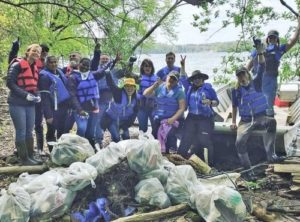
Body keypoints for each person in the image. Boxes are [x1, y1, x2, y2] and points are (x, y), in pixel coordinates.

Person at [231, 52, 284, 179]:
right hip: (245, 121)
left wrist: (260, 52)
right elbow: (234, 106)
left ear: (247, 74)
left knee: (272, 122)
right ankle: (248, 171)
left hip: (260, 117)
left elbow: (261, 66)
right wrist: (233, 121)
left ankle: (271, 155)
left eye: (243, 74)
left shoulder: (256, 82)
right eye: (239, 75)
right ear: (237, 78)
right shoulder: (235, 90)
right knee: (239, 142)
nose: (241, 77)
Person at [247, 17, 300, 116]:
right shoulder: (259, 49)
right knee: (256, 102)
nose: (272, 39)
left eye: (274, 37)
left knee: (269, 104)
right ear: (267, 39)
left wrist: (299, 25)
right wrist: (242, 75)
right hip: (257, 79)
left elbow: (292, 41)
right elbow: (249, 64)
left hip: (271, 81)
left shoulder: (279, 50)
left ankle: (270, 120)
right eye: (270, 37)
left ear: (277, 39)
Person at [8, 40, 49, 155]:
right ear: (27, 52)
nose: (36, 53)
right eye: (34, 51)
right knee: (21, 131)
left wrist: (38, 95)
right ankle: (24, 158)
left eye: (39, 52)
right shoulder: (17, 64)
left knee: (29, 131)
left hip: (30, 104)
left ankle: (30, 155)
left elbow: (34, 86)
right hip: (17, 103)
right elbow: (10, 83)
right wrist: (26, 95)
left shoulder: (35, 68)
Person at [178, 57, 219, 165]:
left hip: (205, 118)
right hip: (192, 117)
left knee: (206, 142)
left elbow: (217, 102)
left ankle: (210, 165)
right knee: (185, 139)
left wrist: (210, 102)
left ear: (202, 79)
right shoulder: (189, 88)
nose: (197, 80)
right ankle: (178, 161)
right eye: (195, 78)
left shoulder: (208, 89)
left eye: (199, 78)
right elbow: (182, 78)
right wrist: (182, 66)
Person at [67, 58, 112, 148]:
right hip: (80, 109)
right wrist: (79, 110)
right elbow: (73, 95)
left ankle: (89, 150)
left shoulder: (92, 75)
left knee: (91, 132)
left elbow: (103, 71)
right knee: (82, 129)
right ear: (79, 64)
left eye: (87, 66)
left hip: (93, 109)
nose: (85, 67)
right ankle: (79, 149)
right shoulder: (73, 77)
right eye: (83, 64)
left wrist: (113, 61)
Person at [143, 70, 186, 153]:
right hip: (158, 118)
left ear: (177, 81)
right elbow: (146, 94)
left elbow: (182, 108)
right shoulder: (159, 88)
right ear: (167, 77)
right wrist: (154, 86)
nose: (172, 80)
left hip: (173, 120)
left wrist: (172, 119)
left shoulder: (180, 92)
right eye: (171, 77)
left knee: (170, 135)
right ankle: (159, 153)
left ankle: (171, 153)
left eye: (175, 79)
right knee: (155, 136)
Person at [39, 56, 71, 152]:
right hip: (52, 108)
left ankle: (60, 151)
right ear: (46, 64)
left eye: (55, 62)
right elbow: (44, 97)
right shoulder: (44, 76)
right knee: (51, 131)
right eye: (51, 62)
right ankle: (52, 151)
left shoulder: (59, 73)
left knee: (62, 130)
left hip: (63, 107)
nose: (54, 64)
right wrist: (48, 115)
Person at [90, 43, 119, 149]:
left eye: (107, 59)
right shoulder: (96, 71)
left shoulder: (113, 71)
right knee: (98, 125)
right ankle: (98, 144)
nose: (105, 60)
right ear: (99, 60)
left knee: (114, 126)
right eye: (103, 59)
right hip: (99, 102)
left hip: (111, 103)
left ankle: (116, 144)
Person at [101, 75, 138, 142]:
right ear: (124, 87)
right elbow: (111, 84)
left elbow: (133, 116)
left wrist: (124, 126)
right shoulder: (118, 93)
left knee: (126, 137)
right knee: (116, 138)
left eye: (132, 86)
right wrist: (107, 72)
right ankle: (114, 150)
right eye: (127, 86)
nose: (129, 88)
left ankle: (124, 151)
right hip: (111, 120)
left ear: (135, 88)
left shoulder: (137, 100)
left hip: (123, 123)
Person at [137, 59, 157, 133]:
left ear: (152, 68)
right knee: (143, 129)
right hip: (141, 107)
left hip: (154, 107)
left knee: (156, 128)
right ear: (142, 67)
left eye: (149, 66)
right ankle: (142, 143)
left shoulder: (157, 79)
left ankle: (157, 143)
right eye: (146, 66)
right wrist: (141, 97)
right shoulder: (138, 78)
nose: (148, 68)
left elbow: (160, 92)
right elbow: (134, 92)